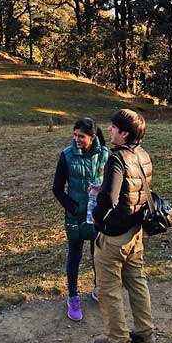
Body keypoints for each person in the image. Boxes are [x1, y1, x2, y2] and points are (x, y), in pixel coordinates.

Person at [90, 108, 156, 343]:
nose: (109, 130)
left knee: (109, 289)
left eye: (114, 128)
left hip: (115, 235)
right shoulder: (143, 155)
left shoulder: (116, 157)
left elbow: (110, 198)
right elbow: (135, 188)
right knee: (137, 282)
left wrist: (97, 218)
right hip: (135, 232)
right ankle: (145, 332)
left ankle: (118, 341)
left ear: (124, 133)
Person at [51, 116, 109, 321]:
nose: (76, 139)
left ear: (92, 137)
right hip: (75, 217)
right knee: (74, 255)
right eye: (74, 135)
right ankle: (73, 296)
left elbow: (111, 183)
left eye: (81, 136)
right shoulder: (66, 156)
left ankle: (98, 288)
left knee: (98, 255)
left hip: (97, 216)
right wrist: (72, 206)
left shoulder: (105, 155)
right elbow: (57, 189)